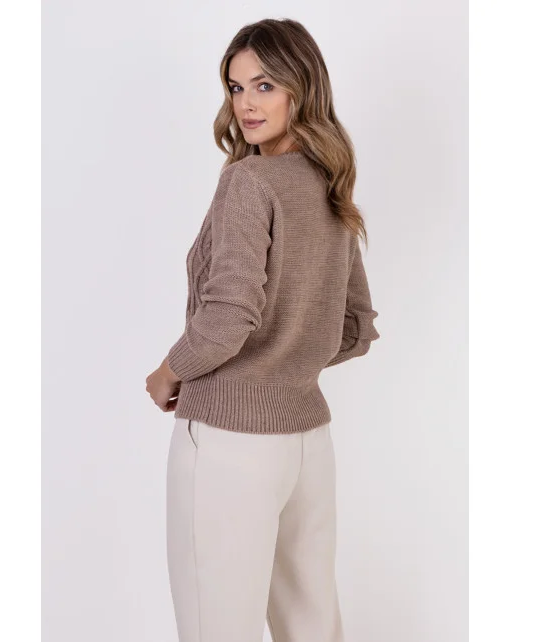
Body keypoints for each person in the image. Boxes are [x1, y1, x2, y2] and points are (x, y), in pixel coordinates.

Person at [145, 17, 380, 642]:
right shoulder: (329, 185)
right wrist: (289, 359)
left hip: (229, 441)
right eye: (235, 87)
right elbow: (354, 327)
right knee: (311, 626)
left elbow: (228, 318)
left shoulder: (251, 181)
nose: (245, 104)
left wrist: (168, 373)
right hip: (308, 444)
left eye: (265, 85)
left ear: (302, 87)